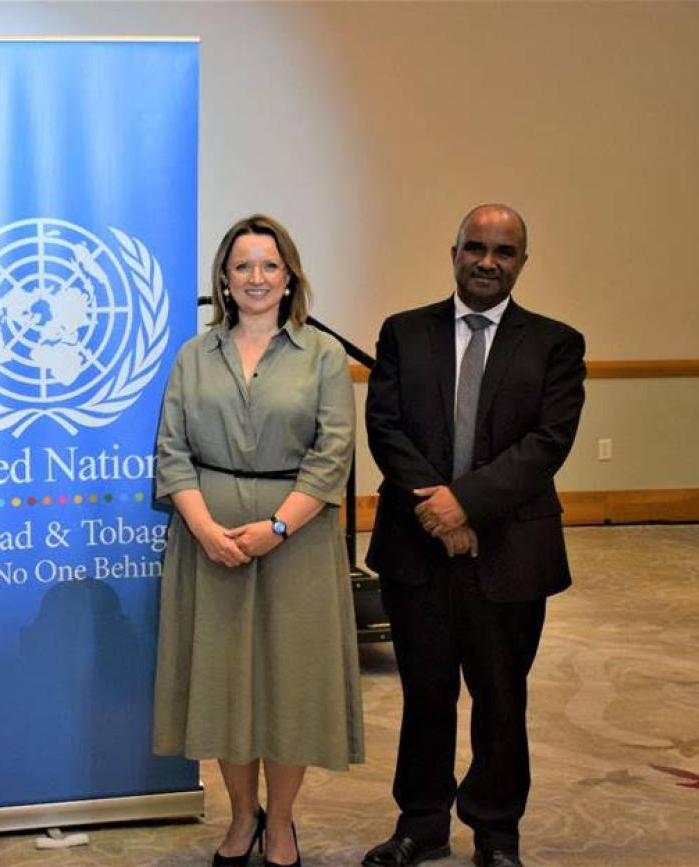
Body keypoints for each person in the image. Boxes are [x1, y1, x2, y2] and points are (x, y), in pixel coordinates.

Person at [362, 204, 586, 867]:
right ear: (453, 250)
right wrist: (438, 509)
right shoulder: (404, 332)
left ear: (522, 261)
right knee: (425, 693)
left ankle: (496, 831)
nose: (488, 261)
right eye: (476, 247)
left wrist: (466, 505)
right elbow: (385, 427)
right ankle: (422, 823)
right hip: (416, 550)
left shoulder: (555, 343)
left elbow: (547, 443)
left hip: (511, 553)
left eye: (504, 251)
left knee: (501, 696)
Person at [153, 214, 364, 867]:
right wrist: (203, 526)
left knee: (289, 685)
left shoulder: (322, 355)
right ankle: (244, 816)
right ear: (224, 276)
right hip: (208, 543)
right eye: (243, 265)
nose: (256, 277)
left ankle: (283, 824)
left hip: (295, 543)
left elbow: (333, 455)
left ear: (289, 274)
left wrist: (276, 527)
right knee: (223, 684)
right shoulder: (195, 355)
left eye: (269, 265)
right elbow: (172, 452)